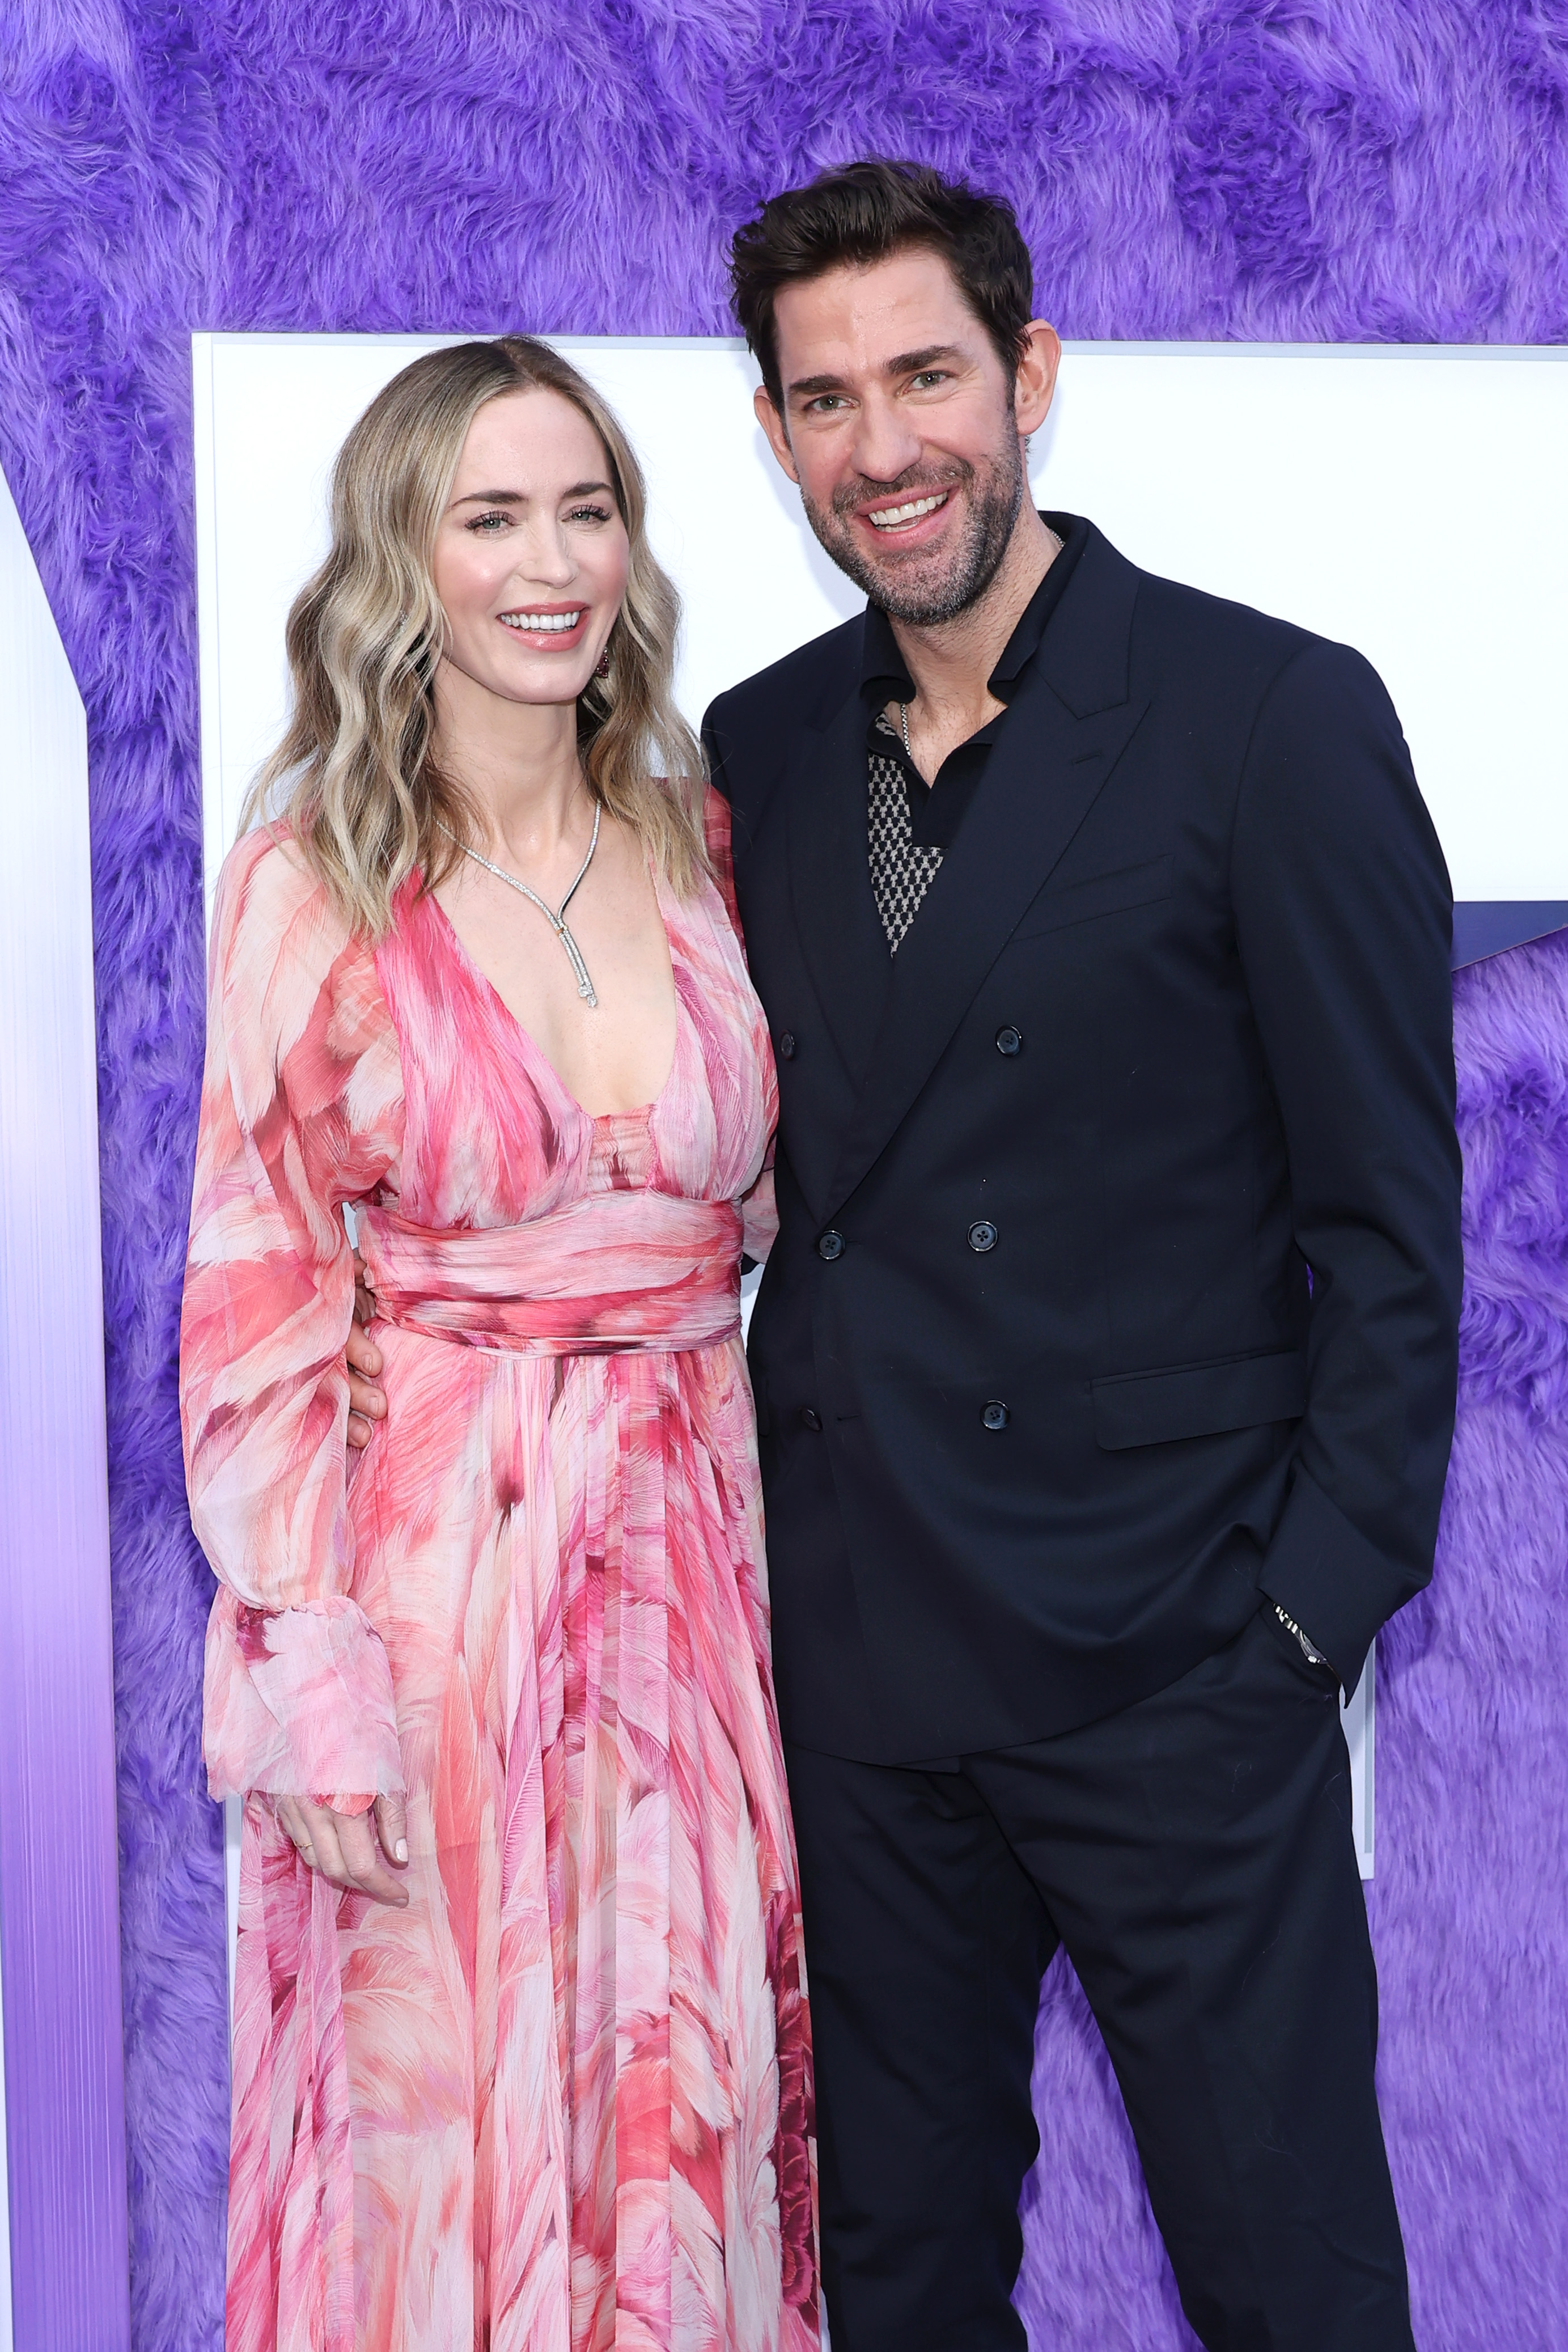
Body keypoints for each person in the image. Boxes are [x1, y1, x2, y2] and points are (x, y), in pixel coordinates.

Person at [342, 166, 1464, 2349]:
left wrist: (1305, 1624)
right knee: (904, 2294)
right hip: (853, 1685)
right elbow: (686, 1157)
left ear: (1030, 378)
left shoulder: (1267, 718)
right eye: (826, 399)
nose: (885, 445)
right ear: (773, 439)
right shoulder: (748, 751)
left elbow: (1395, 1239)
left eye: (928, 376)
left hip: (1176, 1672)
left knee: (1297, 2287)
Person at [180, 336, 816, 2352]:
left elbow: (772, 1226)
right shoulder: (313, 882)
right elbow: (259, 1296)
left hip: (701, 1600)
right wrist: (314, 1672)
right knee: (437, 2149)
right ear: (404, 562)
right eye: (492, 516)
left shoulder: (709, 843)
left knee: (676, 2102)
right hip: (440, 1606)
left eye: (589, 506)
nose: (553, 563)